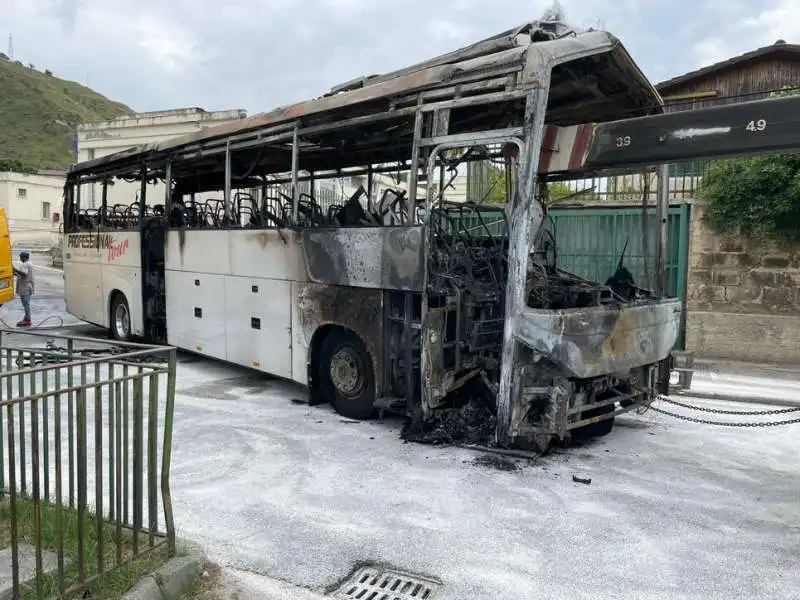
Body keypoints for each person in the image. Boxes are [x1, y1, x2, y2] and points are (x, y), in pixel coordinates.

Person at [13, 251, 34, 327]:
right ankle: (26, 318)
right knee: (26, 304)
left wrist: (14, 268)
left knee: (26, 304)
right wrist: (14, 273)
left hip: (25, 287)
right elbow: (22, 275)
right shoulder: (28, 264)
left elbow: (24, 274)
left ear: (24, 257)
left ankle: (28, 320)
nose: (20, 258)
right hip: (26, 286)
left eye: (20, 257)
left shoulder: (26, 264)